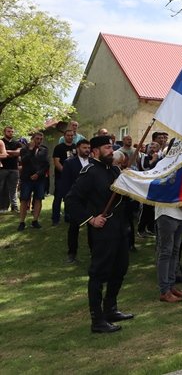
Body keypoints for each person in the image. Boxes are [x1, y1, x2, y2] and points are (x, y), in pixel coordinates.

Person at [65, 135, 133, 333]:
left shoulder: (115, 170)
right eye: (106, 148)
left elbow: (122, 199)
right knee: (99, 273)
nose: (111, 151)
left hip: (120, 229)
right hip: (102, 232)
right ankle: (97, 320)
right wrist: (91, 219)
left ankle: (110, 309)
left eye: (111, 147)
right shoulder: (90, 172)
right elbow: (71, 200)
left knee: (120, 269)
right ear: (95, 151)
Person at [155, 199, 182, 303]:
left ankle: (171, 286)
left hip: (181, 213)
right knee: (166, 252)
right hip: (167, 213)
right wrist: (181, 202)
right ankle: (164, 291)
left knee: (175, 251)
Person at [63, 139, 92, 264]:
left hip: (91, 200)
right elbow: (66, 182)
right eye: (84, 148)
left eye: (88, 148)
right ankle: (72, 253)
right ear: (78, 148)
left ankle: (94, 251)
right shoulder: (69, 163)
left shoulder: (93, 162)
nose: (87, 150)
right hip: (76, 200)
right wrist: (68, 199)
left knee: (93, 227)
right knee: (74, 227)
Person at [18, 131, 49, 231]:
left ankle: (35, 221)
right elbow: (24, 161)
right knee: (24, 199)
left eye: (41, 139)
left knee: (38, 199)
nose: (39, 141)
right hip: (27, 178)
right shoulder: (24, 149)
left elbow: (46, 165)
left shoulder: (44, 150)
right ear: (32, 139)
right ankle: (22, 222)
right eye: (37, 139)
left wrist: (38, 174)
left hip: (39, 178)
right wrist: (31, 150)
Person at [52, 128, 78, 226]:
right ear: (64, 136)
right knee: (58, 198)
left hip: (73, 178)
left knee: (70, 198)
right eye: (68, 135)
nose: (70, 137)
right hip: (61, 177)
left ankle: (68, 217)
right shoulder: (59, 147)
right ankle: (55, 219)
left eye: (72, 135)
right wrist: (66, 172)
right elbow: (56, 162)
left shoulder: (76, 147)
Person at [1, 125, 22, 213]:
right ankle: (3, 207)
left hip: (14, 169)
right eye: (9, 131)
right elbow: (4, 154)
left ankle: (15, 207)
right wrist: (13, 153)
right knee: (2, 188)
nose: (11, 133)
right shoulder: (1, 142)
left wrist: (5, 152)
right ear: (4, 132)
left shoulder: (17, 143)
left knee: (13, 189)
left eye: (12, 131)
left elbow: (19, 153)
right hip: (2, 169)